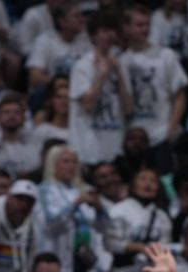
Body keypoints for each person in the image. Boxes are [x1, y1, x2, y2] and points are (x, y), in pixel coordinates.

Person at [119, 4, 188, 174]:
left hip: (161, 133)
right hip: (134, 138)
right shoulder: (121, 61)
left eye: (147, 24)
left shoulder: (166, 55)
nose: (145, 29)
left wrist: (171, 129)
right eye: (139, 25)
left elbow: (180, 95)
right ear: (126, 28)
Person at [33, 145, 109, 272]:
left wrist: (99, 209)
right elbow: (50, 225)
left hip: (87, 259)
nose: (71, 166)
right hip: (60, 253)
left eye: (74, 162)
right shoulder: (45, 190)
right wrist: (76, 204)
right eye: (65, 162)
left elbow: (102, 229)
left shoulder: (86, 189)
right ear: (53, 164)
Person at [69, 12, 133, 167]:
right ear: (93, 35)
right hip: (88, 150)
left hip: (115, 147)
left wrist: (118, 74)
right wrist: (102, 75)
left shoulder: (120, 64)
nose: (109, 36)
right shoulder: (82, 66)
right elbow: (87, 105)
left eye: (112, 31)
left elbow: (129, 109)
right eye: (104, 31)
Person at [105, 168, 173, 272]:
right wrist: (140, 247)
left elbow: (165, 246)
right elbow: (111, 243)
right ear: (133, 185)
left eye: (153, 181)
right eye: (143, 179)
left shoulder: (162, 217)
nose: (148, 184)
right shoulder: (118, 211)